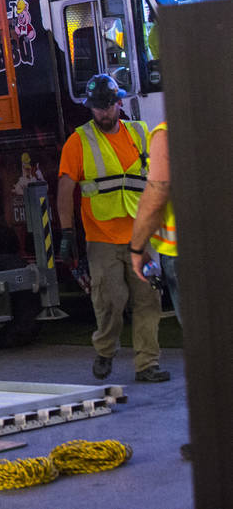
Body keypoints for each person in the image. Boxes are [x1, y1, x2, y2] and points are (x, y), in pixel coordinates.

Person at [57, 74, 168, 383]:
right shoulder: (79, 141)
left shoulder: (139, 133)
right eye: (97, 108)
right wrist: (67, 233)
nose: (103, 113)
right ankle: (105, 351)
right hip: (102, 239)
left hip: (140, 237)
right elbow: (65, 189)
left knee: (148, 299)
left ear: (119, 102)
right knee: (110, 302)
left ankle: (147, 364)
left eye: (107, 106)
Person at [129, 120, 187, 460]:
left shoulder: (168, 132)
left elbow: (156, 193)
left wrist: (138, 248)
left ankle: (215, 434)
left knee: (209, 345)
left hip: (186, 253)